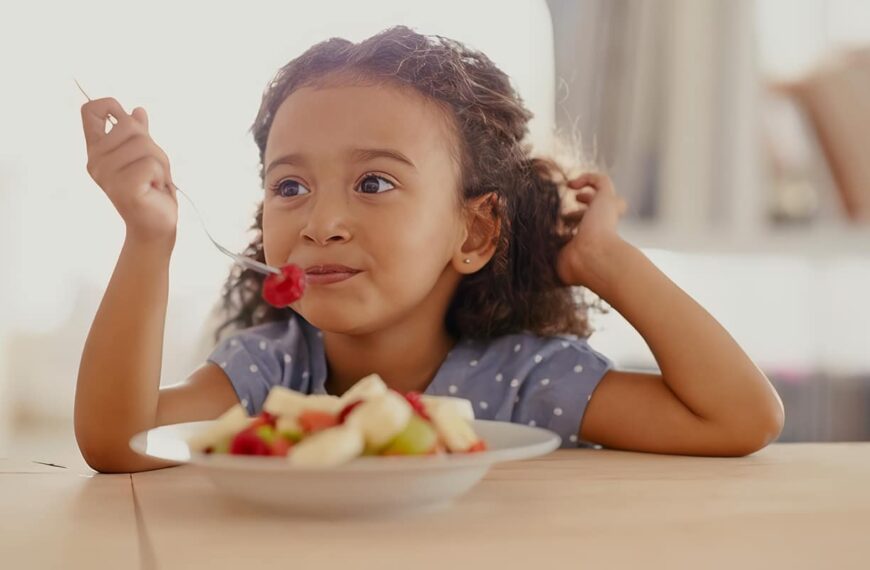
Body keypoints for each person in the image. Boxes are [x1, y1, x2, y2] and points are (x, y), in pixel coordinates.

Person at [74, 26, 783, 473]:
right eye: (289, 185)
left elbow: (740, 418)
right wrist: (148, 237)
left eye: (374, 182)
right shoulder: (273, 370)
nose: (321, 222)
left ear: (473, 232)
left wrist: (606, 263)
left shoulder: (522, 381)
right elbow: (121, 442)